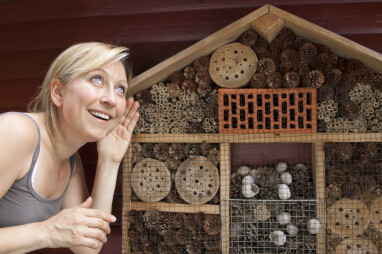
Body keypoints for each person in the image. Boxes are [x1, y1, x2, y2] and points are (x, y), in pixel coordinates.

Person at [0, 42, 139, 253]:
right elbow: (52, 232)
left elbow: (86, 247)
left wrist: (110, 160)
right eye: (97, 79)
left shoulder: (70, 161)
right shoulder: (15, 132)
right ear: (58, 92)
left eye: (120, 89)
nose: (111, 99)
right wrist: (47, 232)